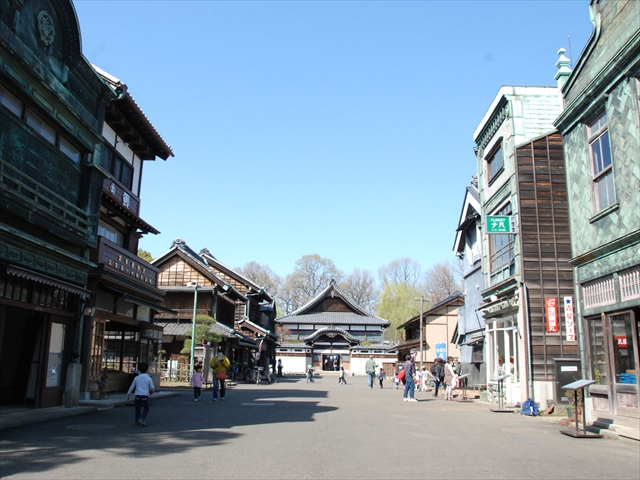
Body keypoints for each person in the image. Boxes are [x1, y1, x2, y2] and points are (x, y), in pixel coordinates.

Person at [126, 362, 154, 426]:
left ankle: (137, 420)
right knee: (146, 408)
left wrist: (128, 394)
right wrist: (151, 391)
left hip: (137, 395)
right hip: (145, 395)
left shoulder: (136, 378)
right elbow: (152, 387)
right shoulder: (148, 378)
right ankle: (142, 419)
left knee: (137, 408)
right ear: (147, 369)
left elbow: (132, 386)